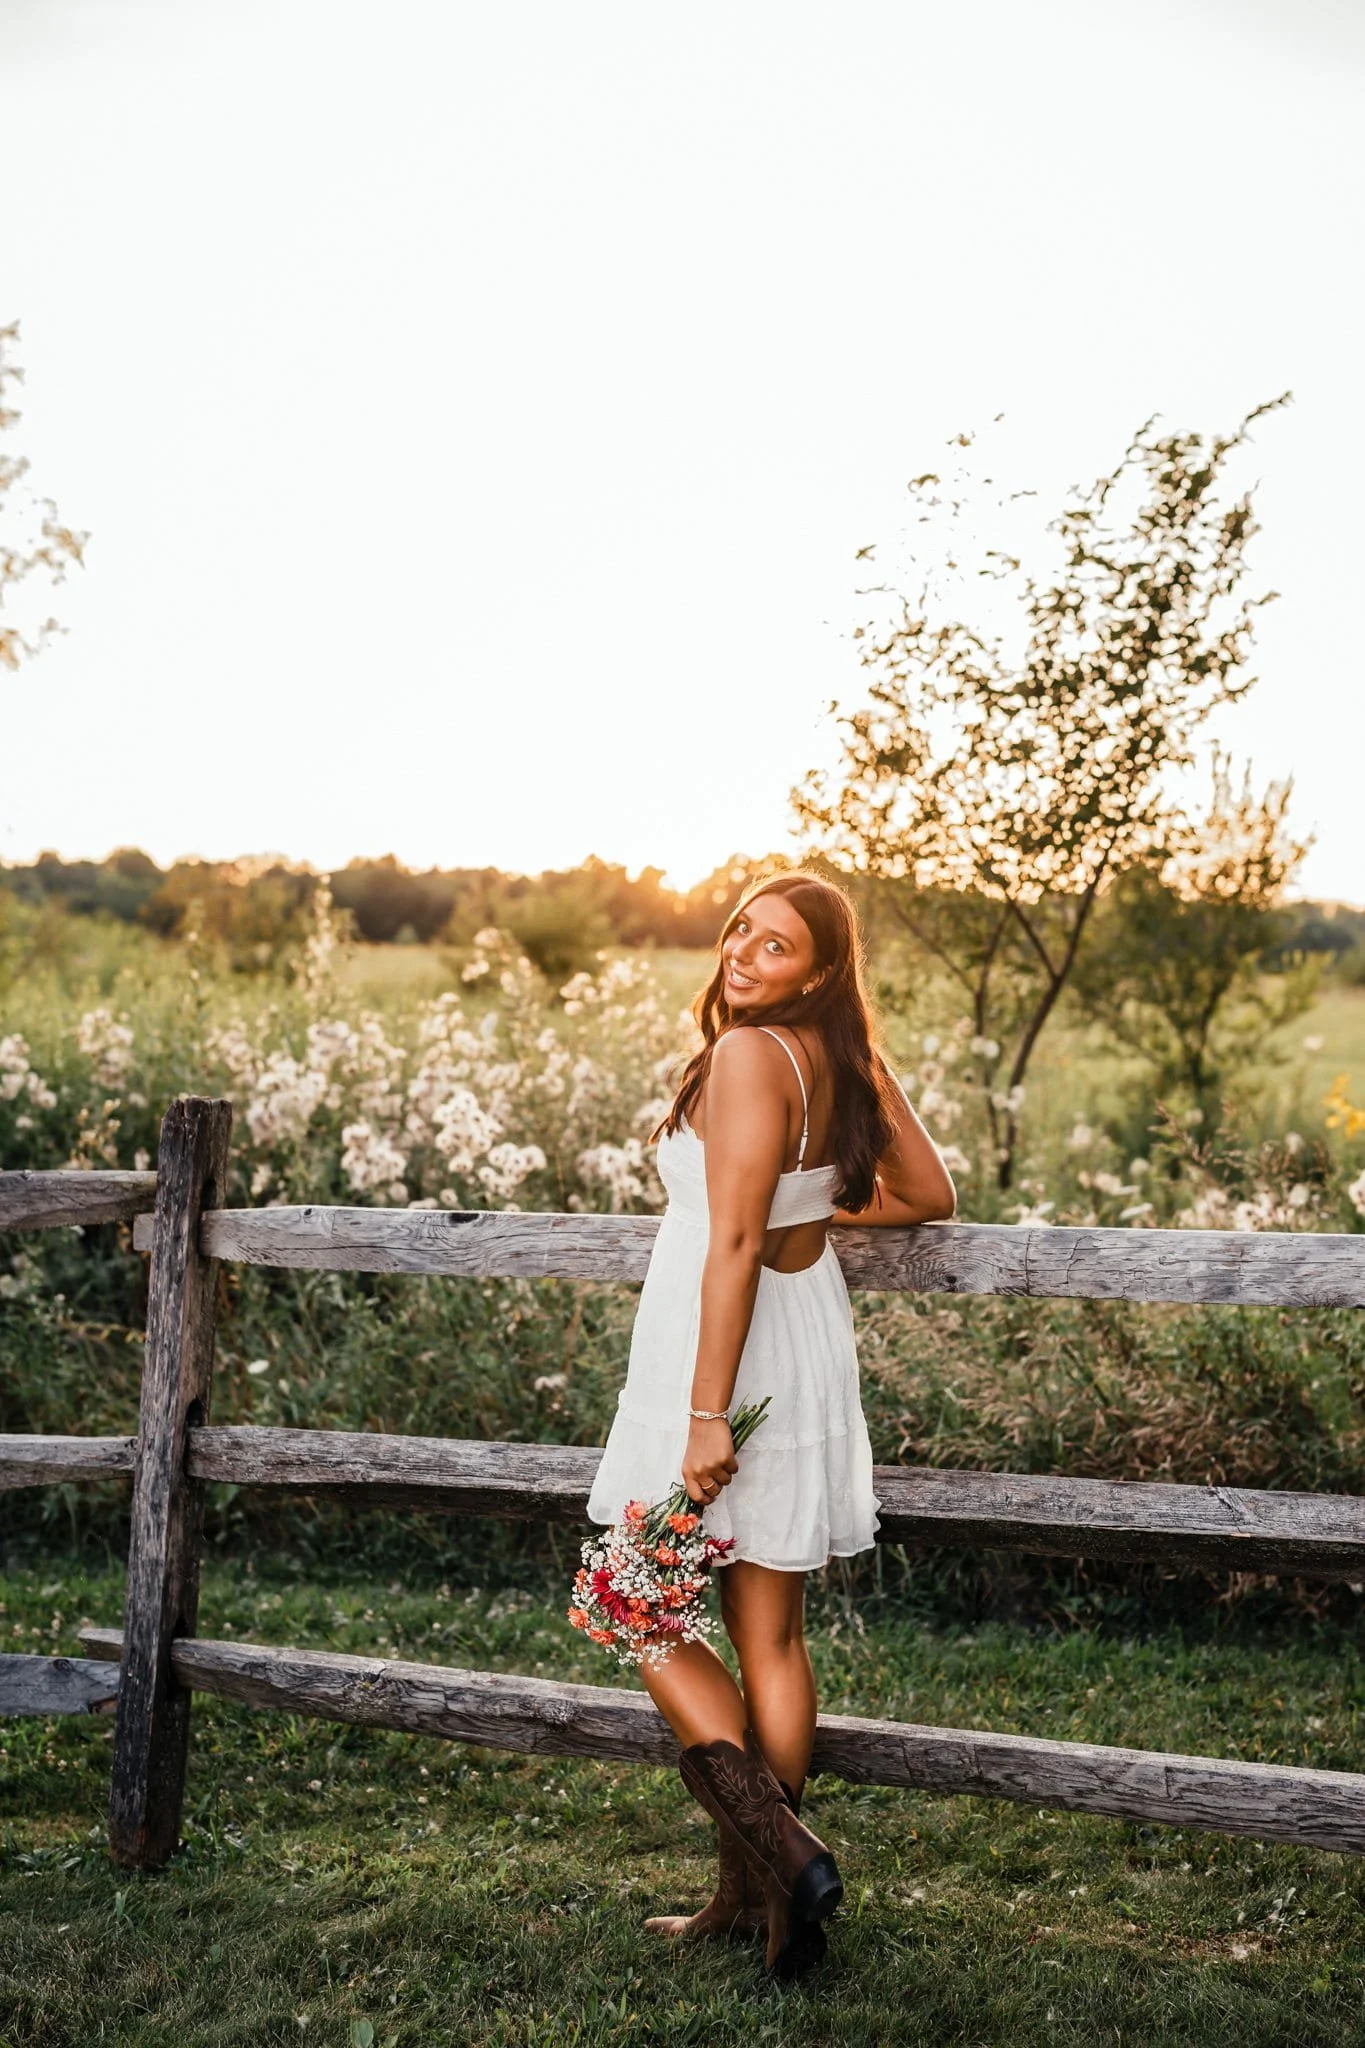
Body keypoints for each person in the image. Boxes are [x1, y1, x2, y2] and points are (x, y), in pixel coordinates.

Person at [585, 870, 956, 1979]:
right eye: (741, 928)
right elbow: (924, 1192)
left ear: (821, 968)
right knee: (772, 1638)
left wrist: (707, 1415)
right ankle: (763, 1902)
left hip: (724, 1361)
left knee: (634, 1599)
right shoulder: (842, 1054)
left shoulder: (748, 1054)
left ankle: (785, 1857)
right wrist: (814, 1204)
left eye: (777, 944)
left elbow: (734, 1243)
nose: (743, 951)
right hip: (802, 1337)